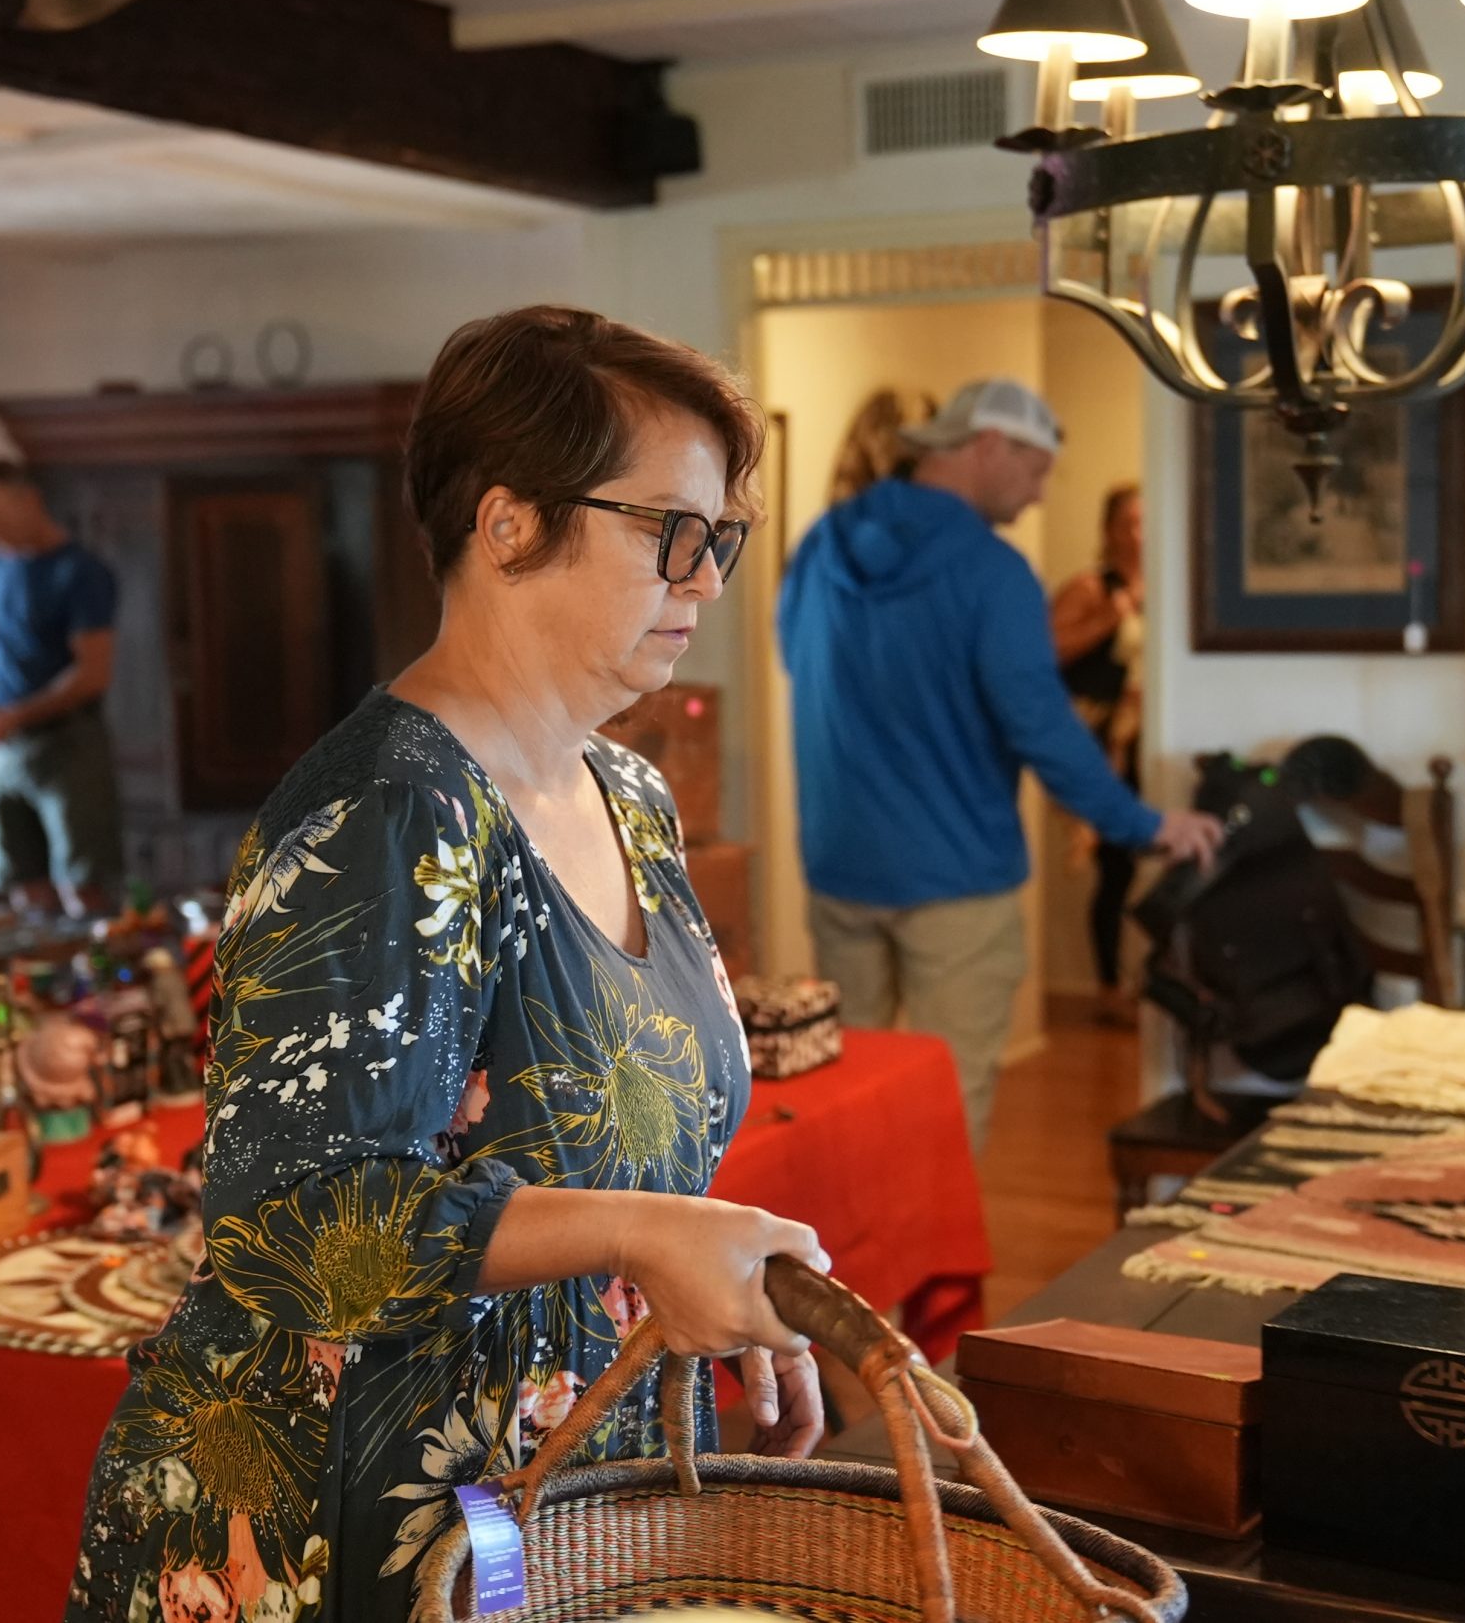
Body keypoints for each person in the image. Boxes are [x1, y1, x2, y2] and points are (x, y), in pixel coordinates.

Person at [68, 307, 828, 1623]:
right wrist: (650, 1229)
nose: (707, 580)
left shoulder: (629, 790)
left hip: (537, 1488)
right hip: (339, 1522)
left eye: (724, 541)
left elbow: (612, 1162)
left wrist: (723, 1263)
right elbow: (296, 1231)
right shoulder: (390, 811)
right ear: (509, 523)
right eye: (673, 533)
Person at [779, 379, 1220, 1150]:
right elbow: (1042, 728)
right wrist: (1144, 825)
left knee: (844, 1094)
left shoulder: (822, 544)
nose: (1041, 492)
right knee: (945, 1106)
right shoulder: (992, 572)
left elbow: (795, 659)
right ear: (989, 446)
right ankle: (926, 1273)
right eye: (1037, 469)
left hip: (840, 865)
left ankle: (842, 1270)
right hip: (956, 877)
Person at [0, 457, 123, 918]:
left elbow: (92, 674)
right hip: (4, 748)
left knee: (81, 886)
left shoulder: (81, 572)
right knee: (22, 886)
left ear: (29, 501)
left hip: (67, 745)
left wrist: (16, 716)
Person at [1051, 484, 1146, 1019]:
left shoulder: (1166, 585)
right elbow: (1045, 652)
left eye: (1146, 522)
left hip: (1141, 743)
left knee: (1137, 868)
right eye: (1128, 522)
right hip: (1100, 744)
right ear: (1109, 529)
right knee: (1115, 869)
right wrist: (1112, 615)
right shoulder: (1091, 588)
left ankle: (1138, 982)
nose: (1138, 534)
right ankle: (1109, 987)